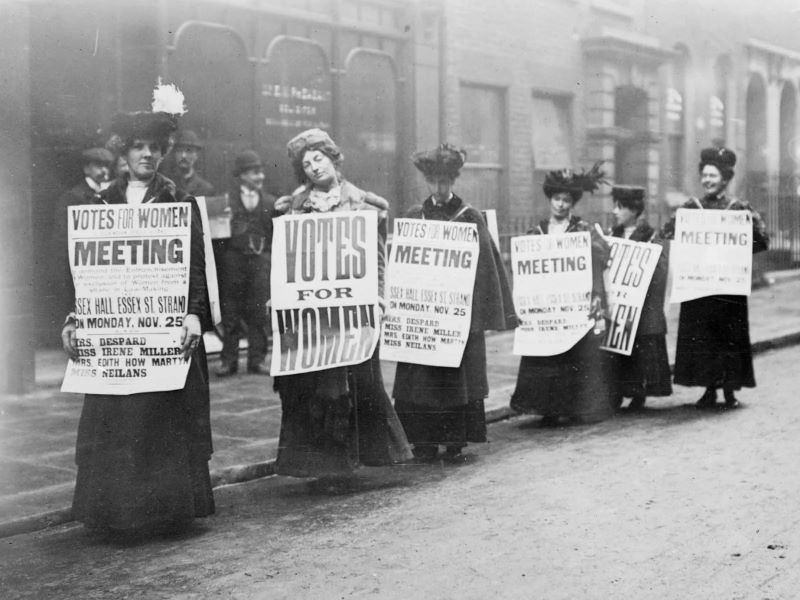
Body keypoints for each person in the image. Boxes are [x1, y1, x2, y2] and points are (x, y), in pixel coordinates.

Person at [60, 87, 215, 536]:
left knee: (160, 419)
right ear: (123, 153)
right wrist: (74, 317)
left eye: (154, 147)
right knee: (118, 419)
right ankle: (115, 512)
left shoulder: (178, 202)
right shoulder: (99, 204)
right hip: (116, 334)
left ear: (164, 152)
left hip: (163, 333)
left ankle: (164, 513)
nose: (147, 154)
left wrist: (194, 315)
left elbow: (197, 268)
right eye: (138, 147)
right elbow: (83, 273)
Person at [272, 128, 412, 477]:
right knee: (313, 387)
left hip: (352, 314)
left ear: (333, 159)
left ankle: (350, 462)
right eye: (306, 164)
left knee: (353, 385)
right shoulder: (294, 208)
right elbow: (285, 260)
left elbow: (378, 259)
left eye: (319, 158)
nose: (314, 167)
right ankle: (321, 465)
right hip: (312, 316)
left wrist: (380, 297)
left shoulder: (365, 205)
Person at [392, 144, 517, 463]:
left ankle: (453, 440)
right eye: (434, 182)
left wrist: (473, 312)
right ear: (427, 183)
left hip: (457, 317)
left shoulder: (470, 217)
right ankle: (423, 441)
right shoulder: (414, 216)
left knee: (453, 382)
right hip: (424, 314)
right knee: (422, 382)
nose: (440, 188)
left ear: (454, 182)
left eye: (445, 182)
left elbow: (487, 270)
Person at [660, 147, 769, 409]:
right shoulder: (690, 208)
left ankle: (730, 390)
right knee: (704, 337)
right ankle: (709, 389)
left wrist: (740, 247)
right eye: (705, 175)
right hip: (699, 286)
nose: (707, 180)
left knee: (728, 337)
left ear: (725, 179)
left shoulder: (739, 208)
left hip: (728, 288)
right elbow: (668, 232)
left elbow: (762, 240)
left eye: (713, 175)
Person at [510, 163, 614, 426]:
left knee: (574, 354)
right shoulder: (537, 232)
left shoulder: (582, 230)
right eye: (557, 199)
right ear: (550, 199)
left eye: (566, 200)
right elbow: (524, 267)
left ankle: (574, 406)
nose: (560, 205)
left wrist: (591, 245)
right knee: (547, 355)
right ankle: (548, 408)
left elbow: (604, 254)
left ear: (573, 203)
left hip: (573, 306)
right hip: (547, 306)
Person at [608, 185, 672, 410]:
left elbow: (659, 268)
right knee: (615, 347)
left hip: (640, 305)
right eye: (615, 206)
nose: (615, 212)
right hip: (618, 303)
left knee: (638, 349)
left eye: (620, 207)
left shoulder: (651, 236)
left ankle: (638, 392)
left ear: (634, 211)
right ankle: (616, 392)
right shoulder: (612, 234)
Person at [215, 150, 275, 377]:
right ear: (241, 175)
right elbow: (217, 237)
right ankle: (228, 361)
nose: (260, 177)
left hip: (260, 262)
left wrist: (267, 258)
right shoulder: (226, 202)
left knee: (259, 313)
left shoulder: (270, 201)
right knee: (230, 312)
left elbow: (274, 235)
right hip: (234, 262)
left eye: (261, 172)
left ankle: (256, 360)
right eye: (254, 172)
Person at [52, 147, 114, 317]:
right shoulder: (72, 197)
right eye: (98, 166)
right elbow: (61, 243)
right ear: (86, 168)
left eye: (107, 166)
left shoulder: (110, 195)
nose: (104, 171)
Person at [164, 129, 215, 197]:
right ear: (174, 154)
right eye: (179, 151)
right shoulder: (164, 186)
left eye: (189, 151)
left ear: (196, 155)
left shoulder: (206, 189)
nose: (183, 156)